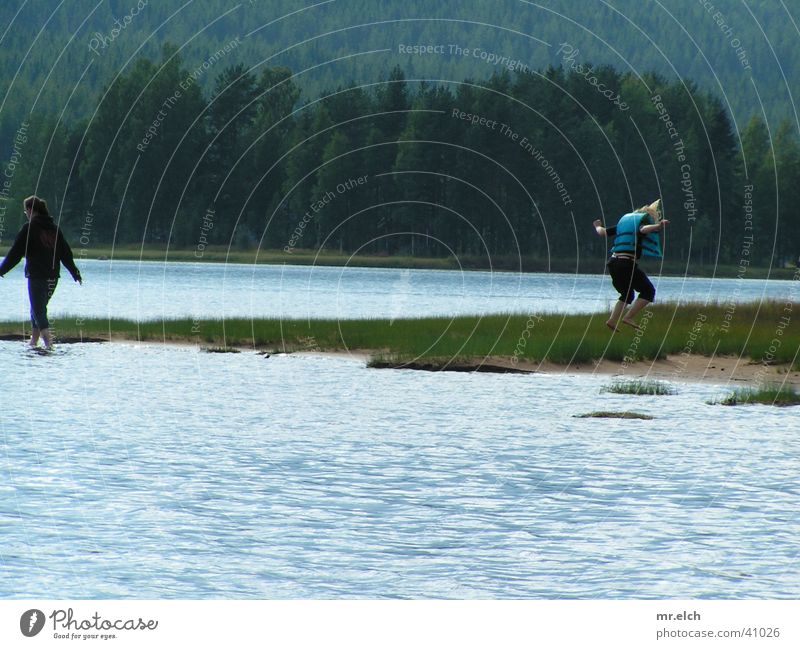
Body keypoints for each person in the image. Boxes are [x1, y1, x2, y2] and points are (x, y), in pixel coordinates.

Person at [0, 195, 82, 350]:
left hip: (37, 276)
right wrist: (75, 273)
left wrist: (2, 269)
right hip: (53, 278)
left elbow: (15, 253)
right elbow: (66, 254)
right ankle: (33, 341)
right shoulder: (55, 229)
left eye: (26, 211)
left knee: (38, 310)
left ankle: (48, 344)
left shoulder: (29, 228)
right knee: (37, 308)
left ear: (31, 210)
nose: (26, 214)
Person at [593, 199, 668, 331]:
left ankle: (612, 320)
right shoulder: (641, 223)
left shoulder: (624, 226)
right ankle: (628, 317)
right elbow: (643, 229)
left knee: (627, 294)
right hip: (626, 264)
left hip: (613, 263)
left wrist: (597, 225)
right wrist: (658, 226)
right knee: (648, 291)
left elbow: (602, 232)